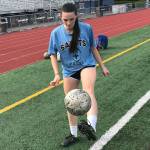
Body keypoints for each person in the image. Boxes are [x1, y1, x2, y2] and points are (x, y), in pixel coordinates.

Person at [48, 3, 109, 147]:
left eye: (71, 19)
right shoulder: (55, 33)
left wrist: (102, 65)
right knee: (70, 101)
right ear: (60, 18)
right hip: (69, 70)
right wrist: (57, 74)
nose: (68, 23)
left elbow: (93, 47)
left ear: (77, 17)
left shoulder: (86, 28)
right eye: (65, 20)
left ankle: (91, 126)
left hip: (86, 64)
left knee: (88, 91)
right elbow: (51, 54)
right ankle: (73, 134)